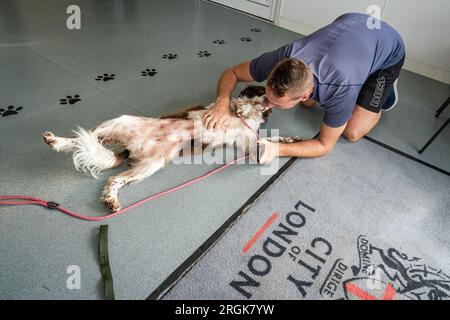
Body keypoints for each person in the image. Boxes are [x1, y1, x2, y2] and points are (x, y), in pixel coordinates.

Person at [202, 13, 405, 164]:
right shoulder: (282, 58)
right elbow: (232, 73)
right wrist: (222, 102)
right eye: (268, 96)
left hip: (387, 50)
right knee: (308, 105)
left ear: (305, 92)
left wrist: (277, 149)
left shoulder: (340, 88)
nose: (266, 105)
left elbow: (324, 145)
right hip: (351, 21)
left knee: (352, 132)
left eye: (276, 104)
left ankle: (384, 89)